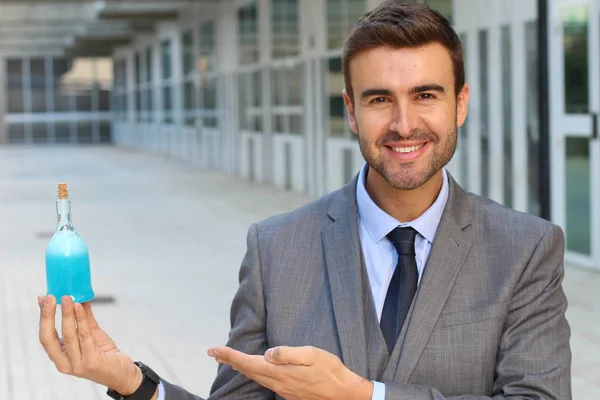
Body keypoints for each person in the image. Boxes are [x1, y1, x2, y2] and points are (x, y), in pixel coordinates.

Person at [38, 1, 572, 399]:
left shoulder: (524, 249)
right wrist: (133, 382)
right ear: (350, 110)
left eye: (425, 95)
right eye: (380, 99)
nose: (404, 124)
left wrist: (366, 396)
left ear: (460, 104)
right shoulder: (276, 247)